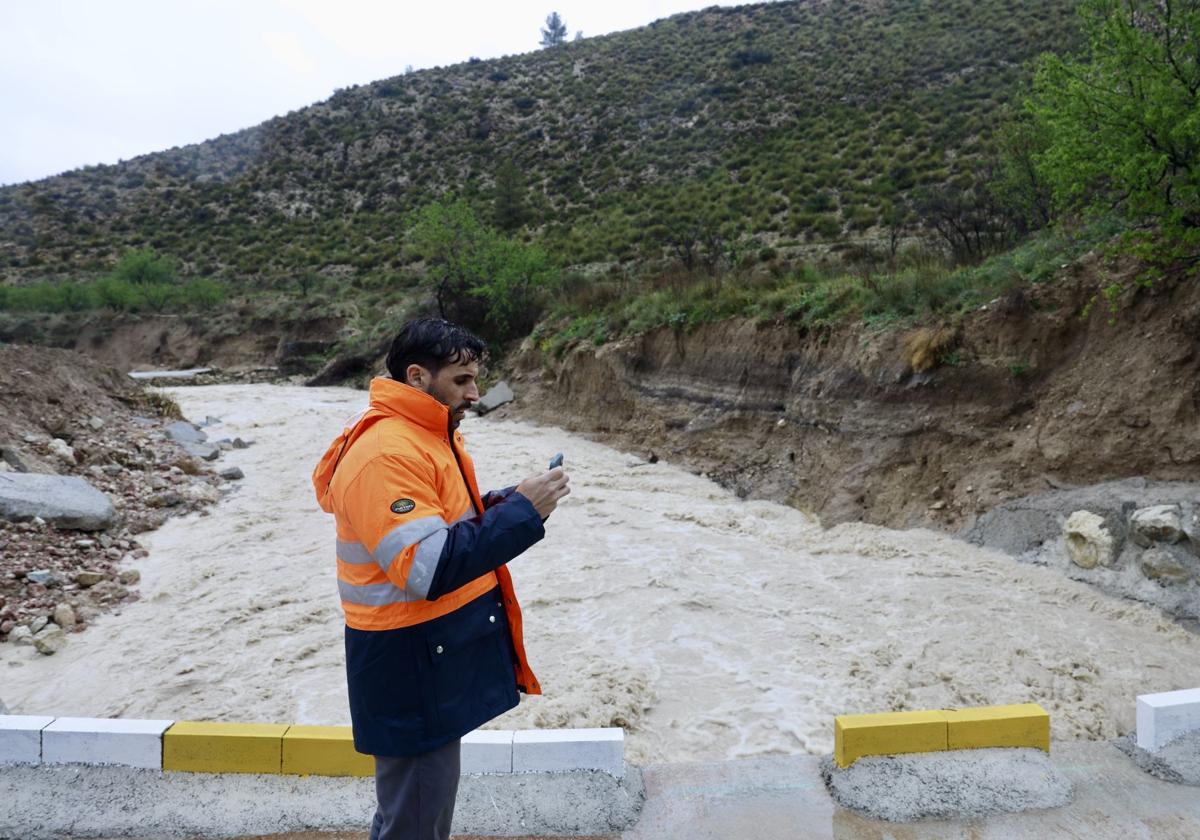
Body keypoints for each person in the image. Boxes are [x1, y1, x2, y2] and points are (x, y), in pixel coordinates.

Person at [312, 317, 570, 840]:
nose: (475, 393)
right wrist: (523, 514)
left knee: (412, 809)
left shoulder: (424, 436)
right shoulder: (388, 452)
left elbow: (441, 523)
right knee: (416, 818)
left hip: (424, 651)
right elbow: (425, 569)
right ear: (417, 377)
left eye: (476, 379)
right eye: (462, 381)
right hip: (409, 658)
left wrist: (509, 500)